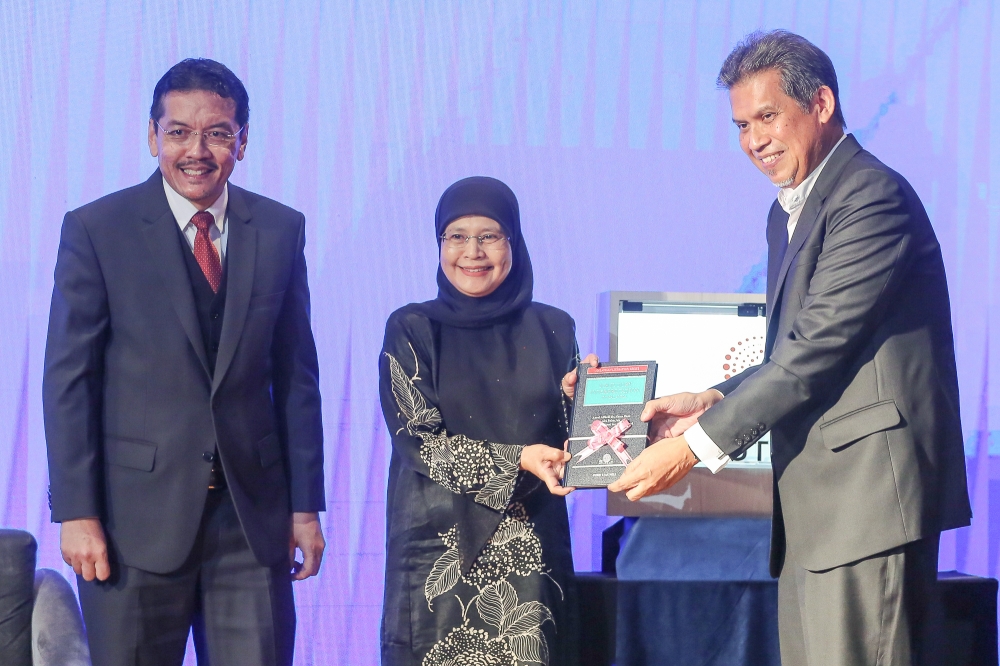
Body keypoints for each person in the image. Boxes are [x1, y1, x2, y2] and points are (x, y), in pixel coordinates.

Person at [609, 30, 971, 665]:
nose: (754, 140)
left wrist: (692, 449)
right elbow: (793, 347)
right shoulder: (787, 212)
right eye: (741, 125)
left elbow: (815, 350)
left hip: (867, 505)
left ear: (821, 104)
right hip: (816, 510)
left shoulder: (871, 196)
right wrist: (712, 398)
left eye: (768, 117)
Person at [42, 58, 325, 666]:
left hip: (251, 524)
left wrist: (305, 508)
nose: (196, 151)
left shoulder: (280, 229)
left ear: (242, 142)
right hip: (129, 526)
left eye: (217, 133)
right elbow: (69, 381)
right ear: (153, 136)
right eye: (178, 132)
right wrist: (76, 512)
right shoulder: (98, 229)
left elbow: (296, 378)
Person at [378, 176, 589, 666]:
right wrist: (519, 459)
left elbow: (572, 449)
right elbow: (420, 442)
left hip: (529, 549)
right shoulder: (412, 328)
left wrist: (580, 401)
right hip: (436, 550)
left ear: (513, 241)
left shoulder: (554, 327)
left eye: (489, 235)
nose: (472, 252)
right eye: (456, 236)